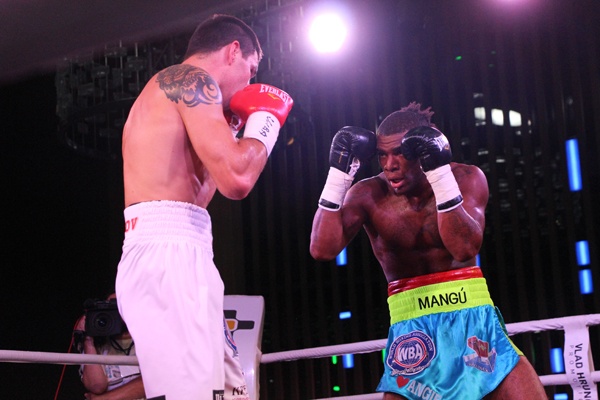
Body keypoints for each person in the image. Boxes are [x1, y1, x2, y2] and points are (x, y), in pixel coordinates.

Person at [310, 102, 546, 399]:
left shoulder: (465, 178)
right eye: (382, 154)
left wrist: (439, 173)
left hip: (473, 317)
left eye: (400, 153)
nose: (389, 164)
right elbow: (321, 249)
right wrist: (338, 175)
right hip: (411, 329)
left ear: (422, 150)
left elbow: (464, 248)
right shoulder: (369, 194)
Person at [114, 14, 293, 400]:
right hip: (168, 256)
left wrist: (232, 129)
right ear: (233, 52)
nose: (251, 84)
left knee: (230, 392)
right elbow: (238, 180)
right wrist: (265, 125)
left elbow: (202, 193)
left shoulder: (178, 95)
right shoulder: (190, 80)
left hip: (183, 249)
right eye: (251, 70)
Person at [74, 293, 145, 400]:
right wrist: (88, 341)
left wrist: (104, 398)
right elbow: (97, 386)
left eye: (118, 306)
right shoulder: (97, 345)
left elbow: (154, 380)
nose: (115, 312)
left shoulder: (148, 340)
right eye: (110, 307)